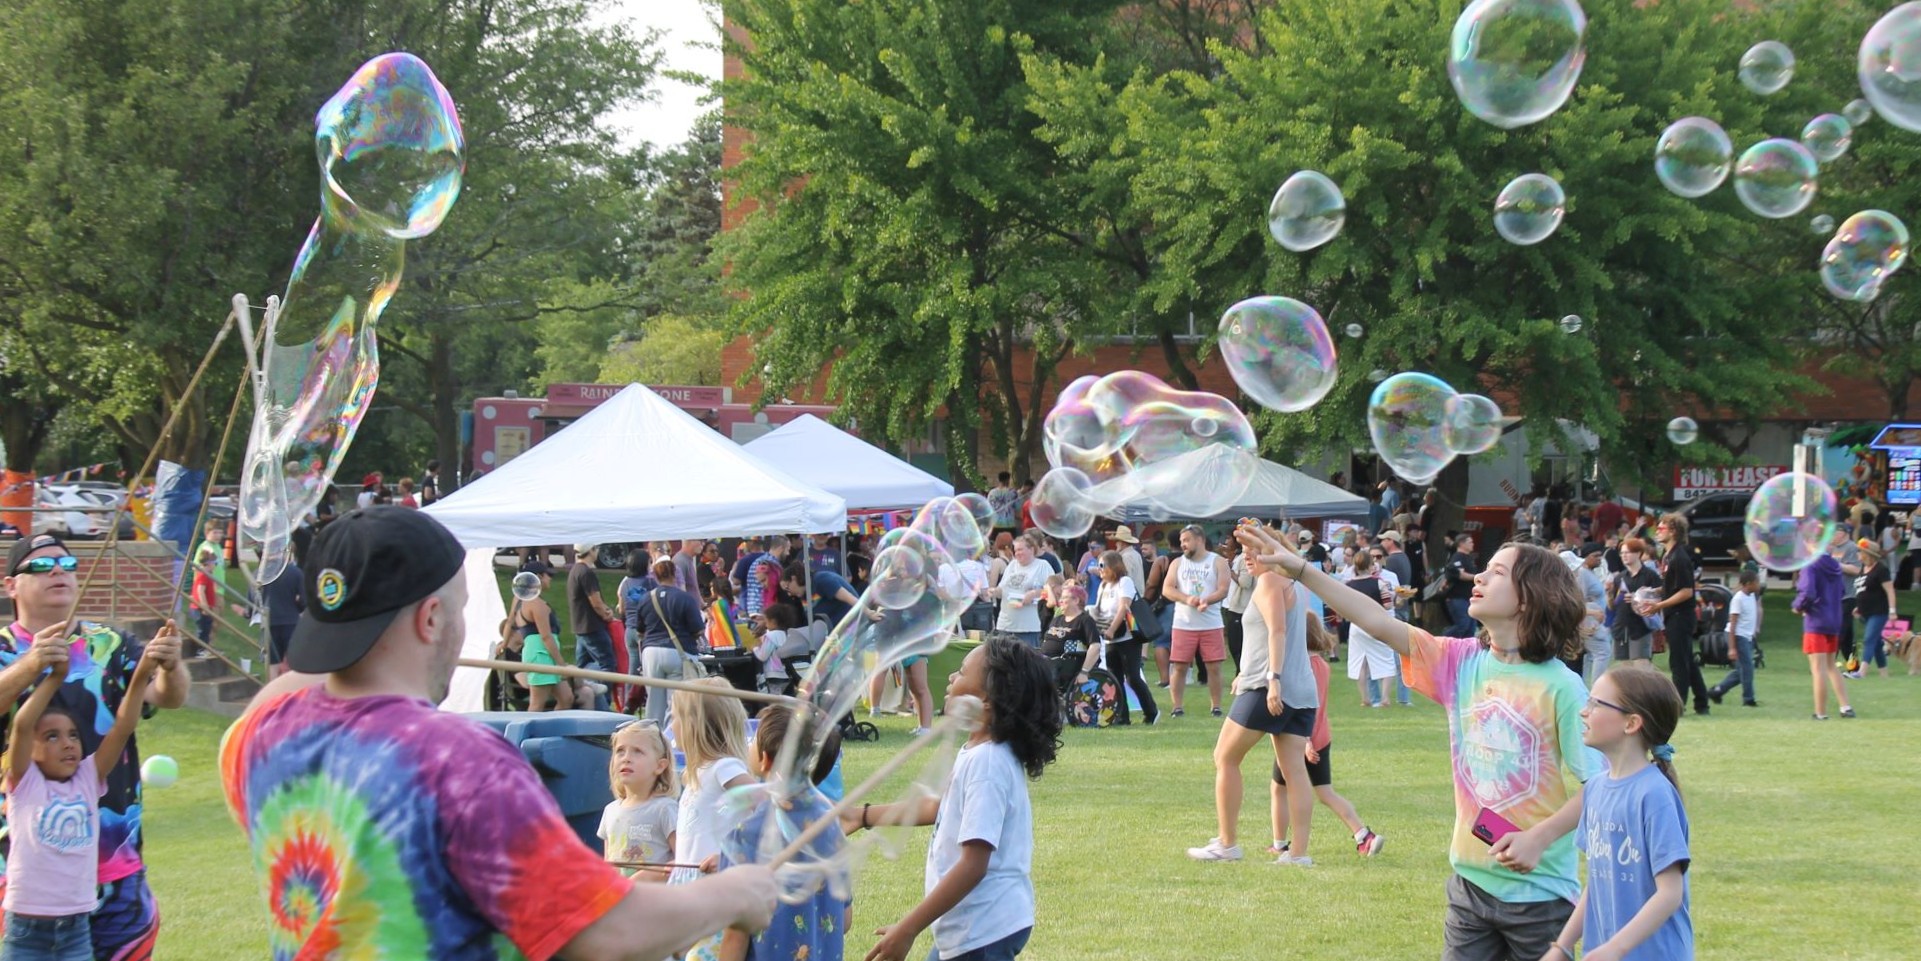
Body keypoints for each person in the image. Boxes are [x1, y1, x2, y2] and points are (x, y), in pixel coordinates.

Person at [221, 507, 777, 958]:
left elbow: (290, 684)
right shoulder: (460, 762)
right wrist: (730, 894)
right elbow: (601, 931)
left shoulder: (261, 735)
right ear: (432, 618)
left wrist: (341, 628)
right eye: (462, 609)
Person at [1235, 524, 1601, 961]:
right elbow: (1373, 618)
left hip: (1540, 899)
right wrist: (1299, 568)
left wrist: (1539, 837)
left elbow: (1602, 785)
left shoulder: (1563, 688)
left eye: (1497, 572)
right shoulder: (1461, 661)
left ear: (1530, 597)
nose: (1479, 578)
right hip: (1469, 888)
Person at [2, 533, 191, 959]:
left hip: (115, 864)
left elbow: (168, 696)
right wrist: (30, 665)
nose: (58, 572)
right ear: (11, 585)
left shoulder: (113, 645)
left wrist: (171, 666)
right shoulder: (4, 648)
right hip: (24, 872)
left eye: (67, 566)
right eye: (41, 565)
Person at [849, 638, 1061, 961]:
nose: (951, 678)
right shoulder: (977, 751)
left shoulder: (986, 762)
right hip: (974, 926)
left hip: (985, 927)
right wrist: (861, 815)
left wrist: (907, 929)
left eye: (961, 672)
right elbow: (938, 808)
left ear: (987, 700)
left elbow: (973, 865)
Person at [3, 624, 159, 961]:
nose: (69, 743)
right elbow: (21, 725)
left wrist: (144, 671)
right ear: (31, 749)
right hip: (27, 931)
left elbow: (122, 725)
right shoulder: (24, 784)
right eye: (53, 737)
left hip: (75, 930)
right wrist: (53, 679)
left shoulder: (88, 780)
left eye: (73, 735)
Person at [1185, 532, 1318, 864]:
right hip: (1299, 690)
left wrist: (1271, 680)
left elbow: (1277, 631)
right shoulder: (1293, 583)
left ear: (1272, 552)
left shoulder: (1271, 581)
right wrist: (1246, 673)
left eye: (1254, 550)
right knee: (1294, 773)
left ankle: (1227, 844)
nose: (1246, 557)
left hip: (1269, 688)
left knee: (1225, 758)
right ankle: (1297, 854)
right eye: (1243, 551)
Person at [1549, 666, 1693, 961]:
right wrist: (1562, 947)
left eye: (1595, 704)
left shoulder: (1655, 795)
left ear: (1631, 723)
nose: (1583, 712)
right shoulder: (1596, 789)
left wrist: (1616, 948)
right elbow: (1600, 881)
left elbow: (1669, 892)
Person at [716, 708, 849, 961]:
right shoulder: (830, 827)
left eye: (753, 739)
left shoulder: (745, 835)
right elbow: (845, 919)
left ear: (765, 760)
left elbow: (735, 935)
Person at [1269, 615, 1385, 860]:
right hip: (1322, 736)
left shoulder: (1302, 667)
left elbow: (1304, 706)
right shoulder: (1322, 664)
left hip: (1299, 738)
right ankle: (1363, 834)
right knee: (1325, 793)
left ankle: (1279, 844)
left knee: (1279, 789)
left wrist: (1306, 742)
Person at [1163, 524, 1230, 718]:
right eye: (1182, 541)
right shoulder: (1177, 563)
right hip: (1183, 623)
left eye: (1186, 540)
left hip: (1211, 624)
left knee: (1214, 666)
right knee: (1180, 666)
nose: (1183, 544)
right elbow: (1167, 589)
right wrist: (1188, 599)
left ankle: (1216, 707)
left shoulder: (1218, 562)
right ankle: (1177, 707)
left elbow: (1223, 589)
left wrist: (1206, 601)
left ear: (1199, 540)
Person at [601, 720, 678, 881]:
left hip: (655, 901)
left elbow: (684, 860)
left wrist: (650, 875)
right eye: (620, 751)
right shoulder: (610, 811)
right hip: (620, 899)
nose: (626, 758)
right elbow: (607, 865)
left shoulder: (665, 809)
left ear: (660, 766)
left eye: (637, 751)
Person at [634, 560, 709, 726]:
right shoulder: (685, 598)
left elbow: (640, 631)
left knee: (653, 702)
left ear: (656, 576)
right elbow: (698, 630)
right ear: (674, 575)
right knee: (675, 702)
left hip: (651, 651)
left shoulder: (646, 598)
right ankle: (672, 739)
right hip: (679, 652)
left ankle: (653, 737)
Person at [1649, 515, 1709, 716]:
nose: (1657, 531)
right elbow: (1670, 587)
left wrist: (1659, 605)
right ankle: (1702, 703)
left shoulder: (1679, 557)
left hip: (1681, 616)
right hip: (1673, 615)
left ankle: (1678, 705)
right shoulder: (1667, 556)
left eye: (1661, 527)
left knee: (1678, 662)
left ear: (1673, 531)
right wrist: (1653, 593)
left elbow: (1686, 591)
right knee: (1687, 660)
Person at [1093, 551, 1157, 725]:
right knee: (1115, 679)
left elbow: (1124, 607)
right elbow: (1099, 609)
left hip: (1127, 637)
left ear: (1113, 566)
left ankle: (1151, 711)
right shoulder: (1103, 586)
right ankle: (1122, 717)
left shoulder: (1124, 582)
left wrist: (1112, 629)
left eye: (1102, 565)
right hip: (1109, 638)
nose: (1099, 569)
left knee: (1133, 678)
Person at [1794, 544, 1856, 720]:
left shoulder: (1810, 565)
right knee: (1831, 666)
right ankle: (1846, 707)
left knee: (1817, 668)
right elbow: (1842, 591)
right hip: (1833, 620)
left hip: (1816, 622)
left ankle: (1820, 713)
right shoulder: (1835, 565)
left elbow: (1808, 592)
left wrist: (1798, 606)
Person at [1341, 549, 1402, 709]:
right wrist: (1395, 597)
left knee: (1360, 661)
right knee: (1386, 659)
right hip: (1377, 623)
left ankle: (1365, 698)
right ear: (1370, 565)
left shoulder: (1349, 585)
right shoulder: (1380, 582)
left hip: (1357, 625)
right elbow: (1388, 605)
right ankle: (1385, 698)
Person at [1707, 570, 1762, 708]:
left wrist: (1753, 634)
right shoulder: (1738, 599)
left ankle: (1717, 691)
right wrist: (1732, 647)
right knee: (1747, 668)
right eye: (1757, 582)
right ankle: (1748, 699)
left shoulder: (1751, 596)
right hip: (1737, 636)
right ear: (1748, 584)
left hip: (1747, 637)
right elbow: (1733, 625)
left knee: (1741, 671)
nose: (1759, 585)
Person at [1039, 583, 1102, 697]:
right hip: (1045, 663)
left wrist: (1084, 671)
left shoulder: (1085, 621)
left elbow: (1095, 646)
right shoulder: (1057, 620)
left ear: (1076, 600)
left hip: (1067, 664)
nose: (1061, 601)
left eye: (1064, 598)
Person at [1608, 538, 1662, 668]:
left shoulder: (1650, 575)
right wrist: (1609, 594)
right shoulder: (1619, 577)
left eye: (1628, 552)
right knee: (1624, 668)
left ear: (1638, 553)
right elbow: (1612, 606)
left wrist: (1638, 598)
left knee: (1641, 665)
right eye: (1622, 553)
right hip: (1621, 626)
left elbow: (1659, 599)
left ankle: (1648, 689)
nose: (1624, 556)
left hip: (1640, 627)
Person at [990, 534, 1049, 648]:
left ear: (1031, 549)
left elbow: (1053, 591)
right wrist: (994, 591)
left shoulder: (1042, 566)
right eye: (1015, 550)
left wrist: (1034, 594)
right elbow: (1002, 590)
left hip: (1029, 628)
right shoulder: (1012, 565)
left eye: (1020, 549)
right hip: (1005, 626)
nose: (1017, 553)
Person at [569, 543, 618, 680]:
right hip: (592, 627)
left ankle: (581, 694)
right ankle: (603, 699)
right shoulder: (586, 572)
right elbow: (596, 602)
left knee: (582, 666)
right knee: (607, 664)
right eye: (596, 549)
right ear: (591, 551)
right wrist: (606, 614)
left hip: (580, 626)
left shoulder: (575, 570)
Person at [1854, 539, 1896, 679]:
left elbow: (1890, 590)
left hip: (1879, 611)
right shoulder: (1863, 568)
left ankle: (1862, 672)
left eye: (1859, 551)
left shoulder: (1881, 569)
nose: (1857, 553)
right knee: (1877, 643)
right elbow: (1863, 590)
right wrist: (1858, 607)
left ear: (1867, 553)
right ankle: (1884, 674)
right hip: (1865, 612)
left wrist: (1892, 610)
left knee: (1869, 639)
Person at [260, 548, 304, 678]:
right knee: (293, 660)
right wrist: (298, 607)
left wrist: (247, 612)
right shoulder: (295, 573)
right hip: (290, 620)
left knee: (272, 661)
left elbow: (254, 601)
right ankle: (292, 690)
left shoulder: (260, 574)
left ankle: (273, 693)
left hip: (269, 621)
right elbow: (305, 599)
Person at [780, 562, 859, 633]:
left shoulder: (822, 580)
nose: (789, 594)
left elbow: (852, 599)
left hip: (850, 628)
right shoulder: (804, 594)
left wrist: (869, 613)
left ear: (794, 578)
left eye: (787, 588)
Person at [1574, 544, 1611, 687]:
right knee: (1603, 652)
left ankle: (1587, 689)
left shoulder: (1590, 572)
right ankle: (1597, 690)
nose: (1599, 559)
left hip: (1594, 620)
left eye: (1600, 555)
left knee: (1590, 657)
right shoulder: (1582, 573)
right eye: (1595, 556)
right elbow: (1579, 599)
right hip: (1589, 622)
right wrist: (1583, 623)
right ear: (1585, 558)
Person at [1223, 537, 1256, 670]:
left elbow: (1245, 583)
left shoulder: (1244, 558)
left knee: (1237, 647)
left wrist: (1229, 571)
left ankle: (1241, 674)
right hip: (1238, 606)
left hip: (1240, 608)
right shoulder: (1241, 558)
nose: (1225, 544)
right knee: (1239, 647)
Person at [1445, 534, 1481, 637]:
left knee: (1471, 628)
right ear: (1461, 544)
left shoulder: (1469, 558)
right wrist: (1477, 577)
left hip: (1469, 598)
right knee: (1462, 625)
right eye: (1470, 542)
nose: (1473, 544)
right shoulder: (1457, 557)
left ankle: (1465, 651)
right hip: (1457, 597)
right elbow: (1461, 575)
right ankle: (1441, 641)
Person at [987, 472, 1021, 540]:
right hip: (1009, 524)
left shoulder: (992, 493)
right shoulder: (1013, 492)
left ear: (999, 480)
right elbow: (1017, 507)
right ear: (1008, 480)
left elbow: (988, 508)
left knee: (994, 544)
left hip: (995, 524)